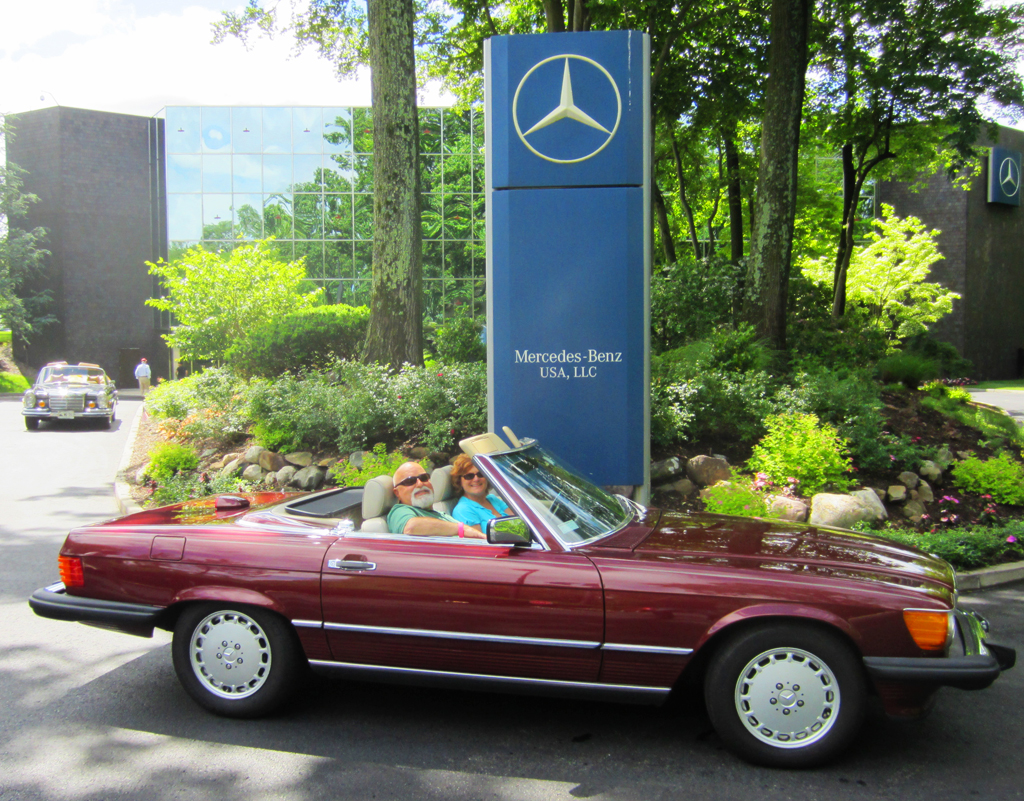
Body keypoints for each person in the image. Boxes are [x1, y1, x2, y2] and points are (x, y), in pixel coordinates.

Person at [387, 461, 485, 538]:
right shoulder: (399, 511)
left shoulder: (440, 514)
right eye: (410, 481)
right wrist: (462, 529)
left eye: (424, 478)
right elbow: (411, 527)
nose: (420, 484)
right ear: (397, 493)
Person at [450, 454, 510, 527]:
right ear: (459, 481)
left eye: (480, 474)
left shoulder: (493, 499)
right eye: (469, 476)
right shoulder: (463, 510)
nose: (476, 479)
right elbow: (479, 538)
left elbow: (520, 520)